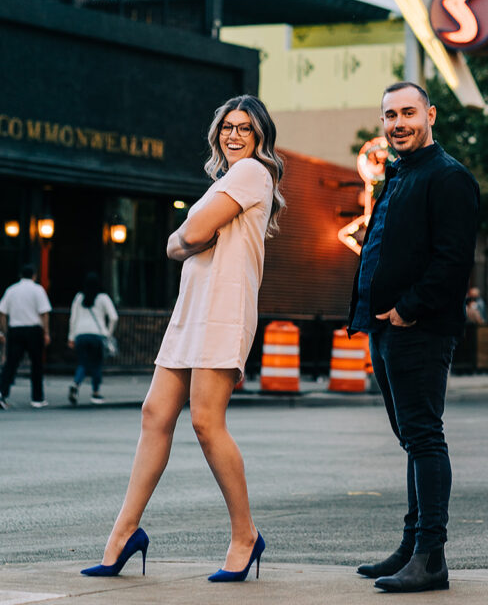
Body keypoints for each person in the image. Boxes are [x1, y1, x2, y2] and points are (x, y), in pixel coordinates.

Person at [81, 95, 284, 582]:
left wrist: (190, 235)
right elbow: (176, 242)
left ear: (260, 138)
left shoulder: (253, 173)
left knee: (206, 423)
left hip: (223, 311)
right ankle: (123, 533)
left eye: (245, 128)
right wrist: (190, 236)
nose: (234, 135)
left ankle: (246, 536)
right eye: (227, 127)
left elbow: (189, 231)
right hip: (191, 309)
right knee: (154, 414)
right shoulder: (224, 180)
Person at [349, 82, 479, 593]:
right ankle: (410, 548)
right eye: (389, 115)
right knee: (412, 440)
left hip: (418, 328)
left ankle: (431, 557)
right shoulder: (397, 176)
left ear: (430, 114)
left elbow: (453, 261)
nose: (397, 122)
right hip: (383, 327)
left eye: (407, 112)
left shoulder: (448, 177)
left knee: (424, 436)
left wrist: (406, 310)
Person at [0, 264, 52, 409]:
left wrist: (4, 331)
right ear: (34, 275)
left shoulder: (11, 290)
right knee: (36, 364)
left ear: (20, 275)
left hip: (15, 329)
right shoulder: (38, 290)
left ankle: (2, 393)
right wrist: (46, 332)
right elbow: (44, 313)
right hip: (33, 330)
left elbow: (2, 312)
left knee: (10, 364)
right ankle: (37, 398)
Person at [67, 272, 119, 405]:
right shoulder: (103, 297)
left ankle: (75, 384)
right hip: (97, 335)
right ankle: (95, 393)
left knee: (83, 363)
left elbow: (73, 318)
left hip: (80, 334)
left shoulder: (79, 297)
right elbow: (114, 317)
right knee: (96, 364)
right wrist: (108, 333)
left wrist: (71, 337)